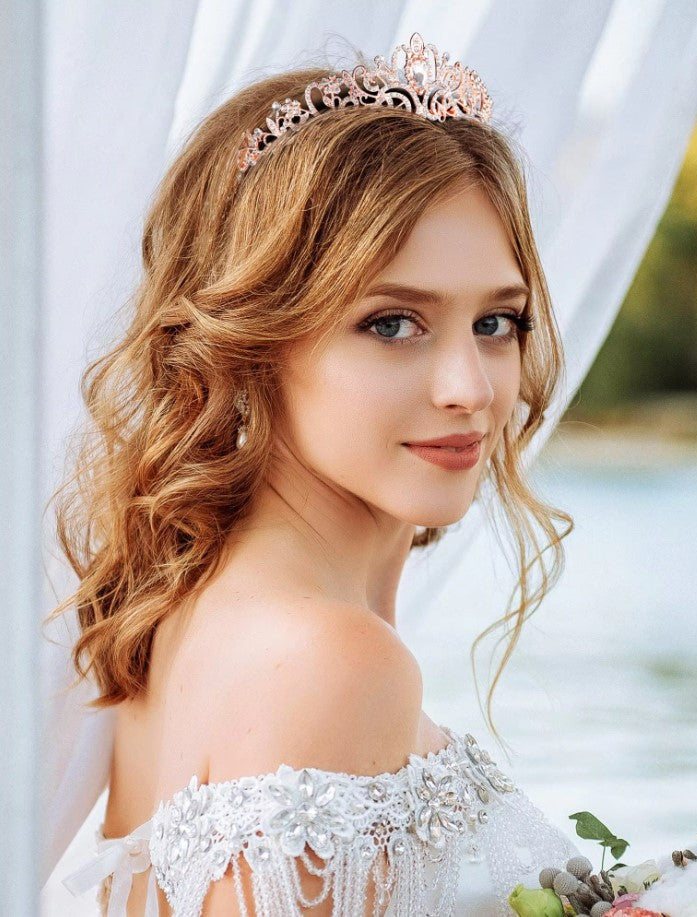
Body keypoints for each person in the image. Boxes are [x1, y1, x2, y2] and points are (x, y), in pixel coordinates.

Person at [49, 32, 580, 916]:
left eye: (497, 322)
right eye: (391, 323)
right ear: (254, 338)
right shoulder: (330, 658)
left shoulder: (185, 615)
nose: (470, 390)